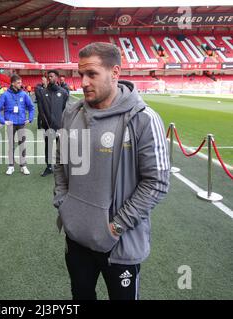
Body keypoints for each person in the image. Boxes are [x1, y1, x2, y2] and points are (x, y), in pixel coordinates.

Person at [53, 42, 170, 300]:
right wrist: (63, 203)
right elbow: (60, 161)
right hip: (76, 237)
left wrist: (115, 227)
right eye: (80, 74)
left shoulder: (144, 119)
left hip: (119, 243)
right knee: (80, 295)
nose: (83, 82)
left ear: (115, 73)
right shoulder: (72, 113)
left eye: (92, 74)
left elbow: (157, 182)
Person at [0, 74, 34, 176]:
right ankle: (11, 166)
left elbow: (31, 107)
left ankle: (23, 166)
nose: (21, 84)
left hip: (21, 123)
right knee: (11, 145)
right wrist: (3, 121)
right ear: (12, 83)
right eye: (18, 83)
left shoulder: (24, 94)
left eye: (21, 82)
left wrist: (30, 119)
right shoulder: (5, 95)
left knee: (22, 145)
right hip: (10, 123)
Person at [36, 70, 68, 177]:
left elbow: (64, 109)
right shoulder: (42, 92)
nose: (49, 78)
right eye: (48, 76)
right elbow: (41, 110)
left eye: (51, 76)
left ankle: (62, 167)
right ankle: (49, 167)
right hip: (48, 126)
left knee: (61, 147)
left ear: (57, 77)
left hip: (60, 127)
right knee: (48, 147)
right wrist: (47, 124)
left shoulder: (63, 92)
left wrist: (62, 124)